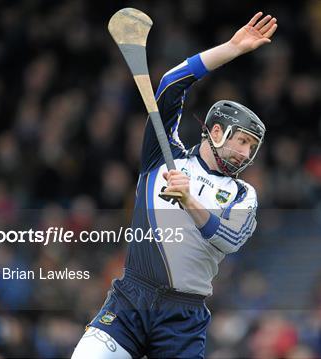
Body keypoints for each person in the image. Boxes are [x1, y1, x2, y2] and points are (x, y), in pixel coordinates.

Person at [72, 11, 277, 358]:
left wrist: (190, 200)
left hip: (182, 318)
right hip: (129, 301)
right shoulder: (160, 158)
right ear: (216, 131)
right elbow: (170, 83)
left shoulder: (243, 194)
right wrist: (231, 47)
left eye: (251, 148)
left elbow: (229, 240)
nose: (245, 153)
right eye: (241, 141)